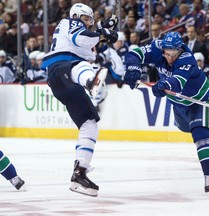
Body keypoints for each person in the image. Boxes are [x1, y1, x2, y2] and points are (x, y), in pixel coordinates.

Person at [124, 31, 209, 196]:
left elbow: (177, 82)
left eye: (173, 54)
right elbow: (133, 53)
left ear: (179, 50)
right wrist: (133, 68)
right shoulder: (158, 48)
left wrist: (163, 83)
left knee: (199, 134)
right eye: (167, 54)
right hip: (178, 103)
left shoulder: (187, 59)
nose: (170, 58)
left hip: (199, 99)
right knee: (185, 128)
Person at [40, 3, 118, 197]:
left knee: (90, 124)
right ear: (76, 15)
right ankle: (90, 80)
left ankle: (79, 173)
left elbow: (87, 45)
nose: (87, 23)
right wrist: (102, 33)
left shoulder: (77, 31)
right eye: (85, 19)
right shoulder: (69, 21)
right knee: (81, 66)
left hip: (65, 82)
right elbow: (81, 38)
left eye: (89, 21)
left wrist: (102, 31)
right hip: (62, 68)